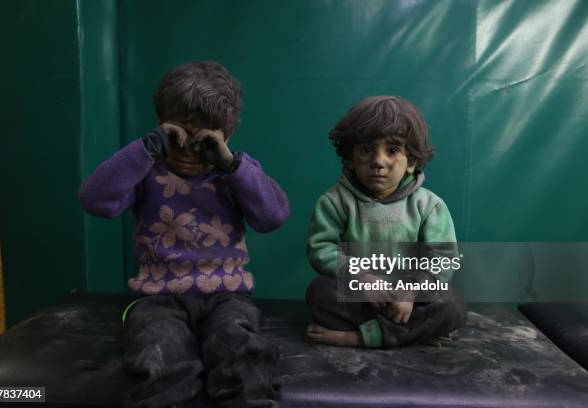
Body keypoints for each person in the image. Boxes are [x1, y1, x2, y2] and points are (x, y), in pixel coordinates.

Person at [79, 61, 289, 408]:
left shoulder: (235, 171)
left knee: (241, 349)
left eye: (204, 139)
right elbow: (95, 201)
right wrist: (146, 148)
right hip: (159, 298)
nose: (190, 150)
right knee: (157, 352)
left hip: (227, 297)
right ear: (162, 126)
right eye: (179, 135)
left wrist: (230, 164)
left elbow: (273, 217)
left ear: (226, 135)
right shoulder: (146, 170)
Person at [305, 95, 466, 349]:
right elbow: (320, 248)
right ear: (351, 157)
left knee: (452, 305)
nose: (378, 161)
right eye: (367, 150)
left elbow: (442, 259)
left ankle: (360, 338)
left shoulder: (429, 205)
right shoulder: (335, 200)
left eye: (392, 150)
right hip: (362, 297)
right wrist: (359, 277)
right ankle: (412, 333)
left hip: (410, 300)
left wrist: (411, 291)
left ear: (411, 161)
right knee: (319, 292)